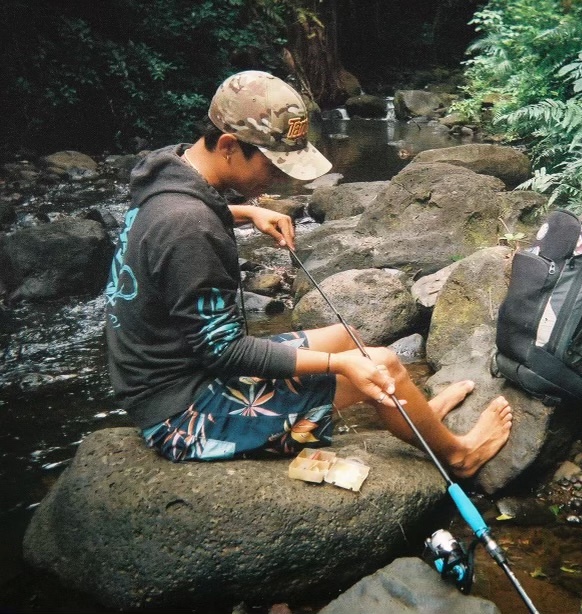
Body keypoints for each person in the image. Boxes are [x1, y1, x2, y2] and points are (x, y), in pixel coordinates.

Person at [104, 70, 512, 478]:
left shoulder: (167, 173)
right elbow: (224, 352)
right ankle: (459, 456)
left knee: (345, 336)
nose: (282, 179)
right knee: (379, 364)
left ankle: (411, 416)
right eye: (274, 166)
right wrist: (339, 366)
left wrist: (244, 211)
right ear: (229, 146)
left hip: (176, 375)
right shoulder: (189, 226)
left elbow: (174, 226)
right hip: (185, 411)